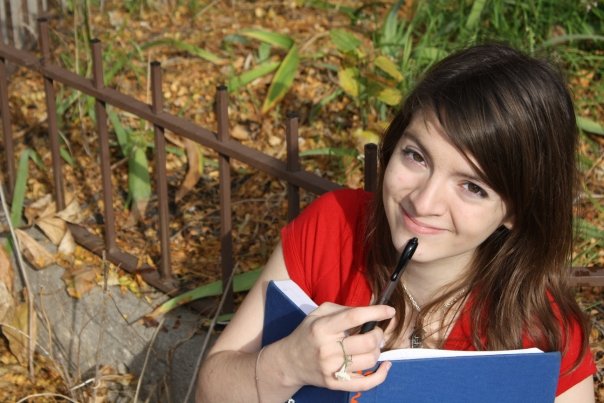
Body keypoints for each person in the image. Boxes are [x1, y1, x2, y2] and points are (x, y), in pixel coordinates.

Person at [196, 43, 596, 403]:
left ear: (515, 211)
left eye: (472, 187)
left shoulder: (541, 328)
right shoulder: (332, 228)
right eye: (416, 156)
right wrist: (285, 365)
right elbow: (210, 391)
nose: (423, 202)